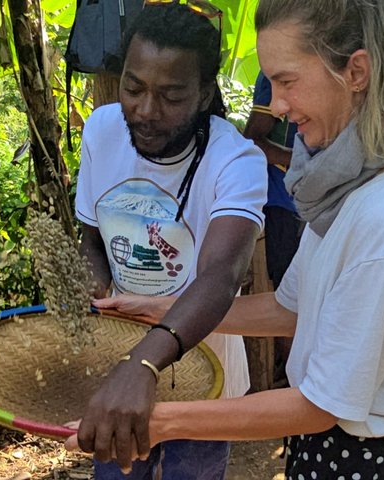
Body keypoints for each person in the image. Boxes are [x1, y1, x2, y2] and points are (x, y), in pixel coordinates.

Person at [69, 0, 384, 479]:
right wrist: (158, 309)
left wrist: (158, 419)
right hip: (324, 451)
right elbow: (289, 310)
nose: (275, 106)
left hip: (365, 461)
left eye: (287, 81)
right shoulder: (352, 188)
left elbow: (319, 405)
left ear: (356, 72)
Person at [72, 3, 267, 479]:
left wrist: (143, 363)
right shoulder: (102, 131)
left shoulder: (235, 161)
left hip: (204, 379)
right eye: (133, 88)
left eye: (171, 95)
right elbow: (92, 240)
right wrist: (90, 292)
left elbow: (220, 276)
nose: (146, 110)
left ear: (204, 94)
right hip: (119, 365)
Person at [243, 71, 301, 387]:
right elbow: (253, 139)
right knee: (289, 293)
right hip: (283, 203)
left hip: (312, 202)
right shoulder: (274, 75)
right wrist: (300, 160)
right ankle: (293, 380)